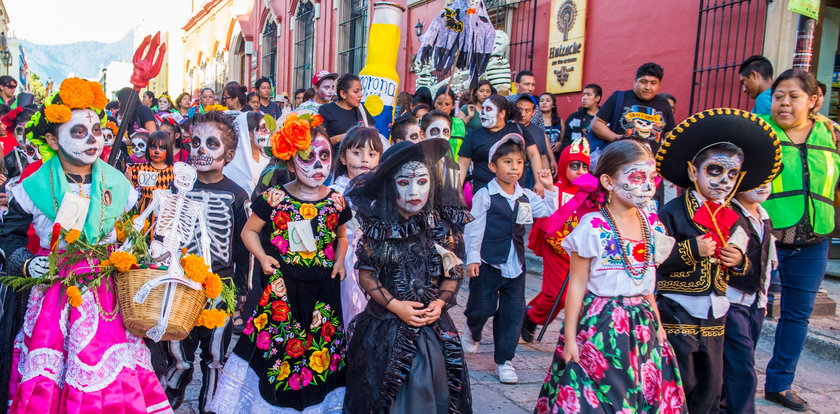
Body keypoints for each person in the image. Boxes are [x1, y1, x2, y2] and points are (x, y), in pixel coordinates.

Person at [0, 78, 171, 413]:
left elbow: (131, 238)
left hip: (107, 295)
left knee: (114, 375)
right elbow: (9, 236)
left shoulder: (120, 186)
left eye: (95, 130)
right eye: (78, 132)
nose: (91, 140)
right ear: (52, 138)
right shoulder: (31, 187)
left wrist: (140, 259)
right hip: (51, 294)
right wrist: (26, 262)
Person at [210, 113, 349, 413]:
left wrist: (339, 261)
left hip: (323, 291)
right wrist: (262, 257)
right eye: (308, 157)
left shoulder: (337, 201)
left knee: (318, 350)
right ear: (289, 161)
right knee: (279, 347)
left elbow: (342, 236)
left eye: (324, 156)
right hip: (282, 288)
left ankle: (316, 404)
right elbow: (249, 231)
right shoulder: (275, 198)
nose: (317, 165)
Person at [534, 139, 685, 413]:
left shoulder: (652, 224)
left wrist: (658, 324)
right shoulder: (592, 227)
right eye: (637, 177)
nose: (647, 186)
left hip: (642, 323)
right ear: (607, 181)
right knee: (598, 394)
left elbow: (647, 280)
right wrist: (569, 336)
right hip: (600, 323)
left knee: (638, 393)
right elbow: (577, 284)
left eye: (652, 177)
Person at [655, 109, 780, 414]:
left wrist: (738, 261)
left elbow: (747, 260)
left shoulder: (734, 217)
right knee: (681, 379)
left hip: (716, 312)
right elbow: (652, 259)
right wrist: (689, 250)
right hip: (677, 309)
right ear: (692, 170)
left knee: (712, 383)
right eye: (714, 171)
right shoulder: (672, 212)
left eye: (732, 174)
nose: (724, 181)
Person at [343, 138, 472, 413]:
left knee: (432, 391)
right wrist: (396, 306)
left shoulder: (442, 227)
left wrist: (440, 303)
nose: (414, 191)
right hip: (385, 328)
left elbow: (453, 271)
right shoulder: (380, 229)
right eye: (404, 183)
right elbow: (367, 275)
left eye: (422, 182)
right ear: (391, 186)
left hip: (431, 330)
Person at [759, 69, 840, 412]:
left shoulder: (831, 134)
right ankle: (734, 379)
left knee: (797, 315)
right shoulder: (758, 131)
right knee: (747, 312)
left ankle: (780, 384)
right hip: (766, 239)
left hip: (815, 238)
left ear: (813, 101)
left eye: (794, 96)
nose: (785, 103)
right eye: (779, 96)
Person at [164, 110, 249, 413]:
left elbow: (243, 248)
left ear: (229, 153)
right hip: (180, 284)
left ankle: (210, 407)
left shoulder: (238, 196)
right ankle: (168, 400)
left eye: (211, 144)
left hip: (220, 287)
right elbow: (164, 234)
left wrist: (240, 290)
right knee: (177, 350)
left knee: (215, 355)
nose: (200, 150)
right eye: (195, 142)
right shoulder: (178, 189)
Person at [462, 133, 558, 384]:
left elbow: (549, 211)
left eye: (518, 162)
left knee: (512, 313)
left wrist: (549, 189)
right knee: (480, 308)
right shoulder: (486, 195)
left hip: (515, 265)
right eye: (507, 162)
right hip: (488, 262)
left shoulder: (526, 195)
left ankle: (505, 360)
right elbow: (474, 228)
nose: (514, 167)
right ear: (493, 166)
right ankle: (472, 331)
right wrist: (472, 259)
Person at [521, 138, 597, 343]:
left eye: (584, 166)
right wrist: (548, 188)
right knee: (557, 294)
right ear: (564, 165)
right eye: (574, 166)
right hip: (555, 247)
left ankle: (531, 311)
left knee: (572, 294)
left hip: (579, 251)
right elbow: (549, 213)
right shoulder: (557, 189)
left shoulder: (592, 192)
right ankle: (531, 317)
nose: (580, 171)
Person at [720, 183, 776, 414]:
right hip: (732, 301)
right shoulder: (727, 214)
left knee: (741, 360)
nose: (763, 185)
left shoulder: (764, 216)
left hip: (756, 301)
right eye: (755, 179)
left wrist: (763, 297)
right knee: (742, 366)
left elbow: (769, 260)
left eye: (768, 179)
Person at [329, 126, 383, 327]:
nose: (365, 159)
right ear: (343, 158)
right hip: (342, 261)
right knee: (344, 312)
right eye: (357, 153)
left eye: (372, 154)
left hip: (372, 263)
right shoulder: (334, 193)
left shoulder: (380, 194)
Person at [589, 62, 676, 164]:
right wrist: (616, 138)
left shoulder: (663, 103)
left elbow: (669, 135)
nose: (647, 87)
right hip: (619, 162)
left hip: (650, 166)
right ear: (635, 81)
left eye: (653, 83)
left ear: (659, 85)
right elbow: (596, 124)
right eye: (643, 82)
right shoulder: (619, 98)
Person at [458, 95, 545, 193]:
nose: (483, 113)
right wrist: (456, 191)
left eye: (488, 109)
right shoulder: (473, 135)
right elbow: (463, 164)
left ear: (502, 113)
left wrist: (538, 181)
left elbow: (533, 154)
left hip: (516, 192)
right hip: (484, 193)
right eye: (482, 108)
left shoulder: (518, 129)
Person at [319, 73, 375, 150]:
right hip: (335, 158)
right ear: (343, 94)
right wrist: (343, 137)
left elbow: (372, 133)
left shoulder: (361, 109)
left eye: (361, 91)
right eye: (356, 91)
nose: (360, 95)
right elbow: (320, 142)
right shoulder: (326, 110)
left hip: (360, 158)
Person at [223, 111, 272, 195]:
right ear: (249, 135)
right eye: (263, 128)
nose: (268, 132)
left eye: (268, 128)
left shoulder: (269, 160)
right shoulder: (232, 165)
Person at [125, 131, 176, 213]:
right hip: (144, 214)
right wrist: (128, 179)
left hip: (166, 214)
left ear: (168, 150)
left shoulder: (174, 171)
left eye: (162, 148)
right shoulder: (138, 168)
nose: (157, 151)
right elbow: (131, 194)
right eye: (153, 147)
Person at [517, 94, 556, 181]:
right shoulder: (508, 128)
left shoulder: (539, 132)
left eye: (527, 110)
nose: (523, 114)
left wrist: (545, 182)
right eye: (520, 109)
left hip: (532, 177)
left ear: (533, 112)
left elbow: (543, 157)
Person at [560, 84, 600, 154]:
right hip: (577, 158)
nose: (584, 98)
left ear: (597, 98)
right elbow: (566, 140)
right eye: (583, 95)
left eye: (588, 95)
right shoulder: (574, 118)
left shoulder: (604, 118)